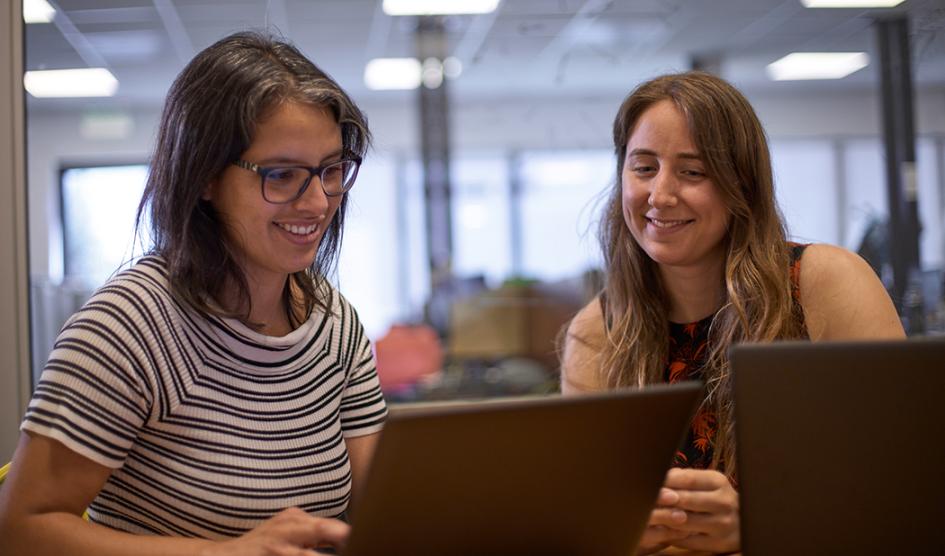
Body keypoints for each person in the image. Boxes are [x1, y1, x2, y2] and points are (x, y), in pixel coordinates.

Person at [0, 31, 387, 556]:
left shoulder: (335, 323)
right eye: (282, 175)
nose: (318, 202)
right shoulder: (130, 326)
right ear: (203, 176)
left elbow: (384, 506)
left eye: (330, 170)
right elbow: (23, 530)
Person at [560, 71, 905, 554]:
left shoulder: (823, 284)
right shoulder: (597, 334)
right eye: (643, 168)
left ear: (740, 183)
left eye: (692, 171)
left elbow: (909, 484)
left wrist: (761, 526)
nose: (660, 195)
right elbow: (585, 518)